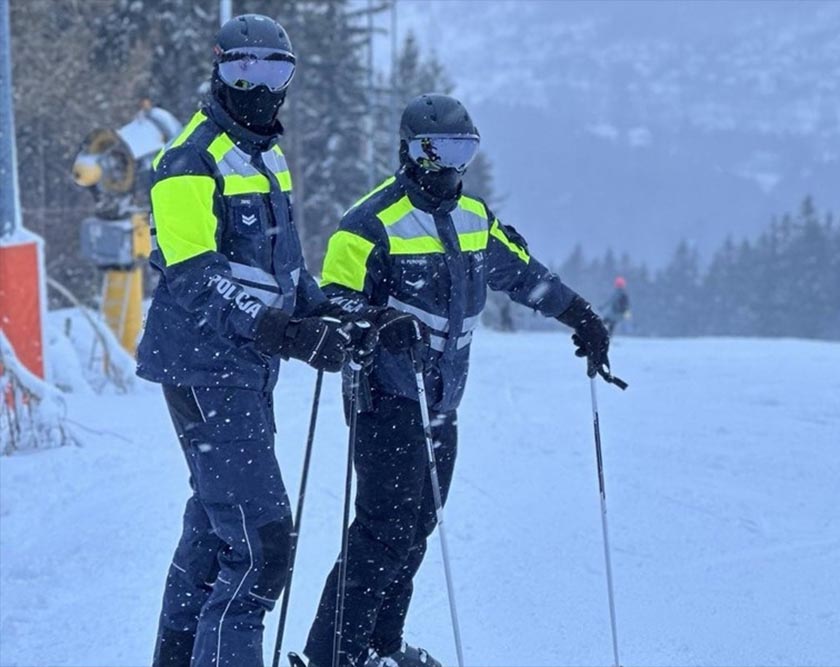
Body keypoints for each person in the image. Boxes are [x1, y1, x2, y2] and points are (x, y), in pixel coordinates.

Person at [300, 94, 615, 667]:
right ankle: (333, 656)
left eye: (462, 150)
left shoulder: (474, 218)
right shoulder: (368, 222)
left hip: (443, 400)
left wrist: (582, 316)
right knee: (382, 532)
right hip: (388, 397)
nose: (451, 165)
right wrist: (379, 321)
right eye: (439, 150)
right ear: (412, 151)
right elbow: (332, 302)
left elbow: (524, 275)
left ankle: (381, 647)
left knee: (419, 526)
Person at [136, 15, 364, 667]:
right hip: (205, 363)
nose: (260, 88)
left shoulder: (265, 157)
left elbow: (281, 270)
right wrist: (283, 331)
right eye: (244, 70)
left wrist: (344, 311)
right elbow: (196, 276)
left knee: (215, 531)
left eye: (275, 71)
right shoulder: (188, 160)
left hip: (242, 364)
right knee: (262, 544)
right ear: (218, 70)